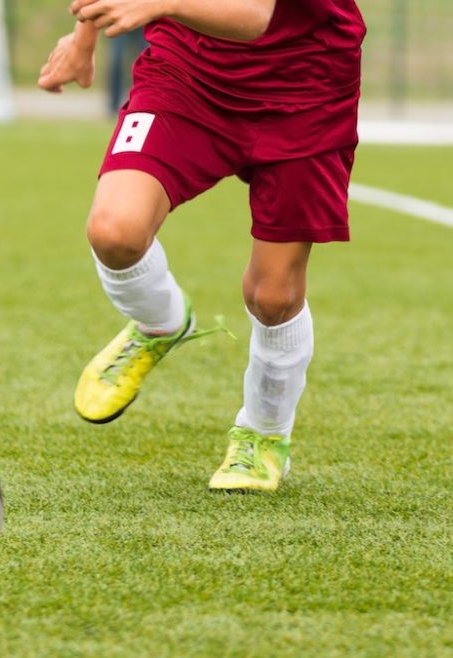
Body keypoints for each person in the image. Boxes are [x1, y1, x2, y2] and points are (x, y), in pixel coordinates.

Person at [37, 0, 365, 492]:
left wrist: (159, 2)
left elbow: (257, 16)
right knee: (114, 230)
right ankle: (160, 322)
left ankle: (263, 436)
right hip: (186, 72)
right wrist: (83, 40)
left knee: (273, 297)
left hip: (305, 82)